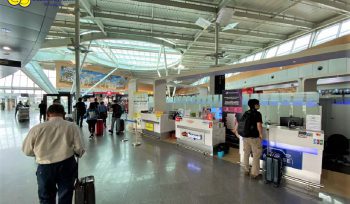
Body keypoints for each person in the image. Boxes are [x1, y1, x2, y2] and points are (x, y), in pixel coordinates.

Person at [22, 104, 85, 204]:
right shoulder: (72, 126)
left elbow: (27, 150)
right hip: (67, 166)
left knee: (46, 197)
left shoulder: (37, 128)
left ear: (47, 114)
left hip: (45, 168)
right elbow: (80, 149)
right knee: (65, 196)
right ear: (64, 114)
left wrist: (40, 154)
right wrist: (76, 153)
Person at [239, 99, 263, 179]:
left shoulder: (246, 113)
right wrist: (260, 134)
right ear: (255, 105)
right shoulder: (257, 113)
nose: (259, 105)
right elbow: (259, 125)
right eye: (258, 104)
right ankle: (254, 174)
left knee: (246, 153)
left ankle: (246, 170)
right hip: (254, 138)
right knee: (256, 155)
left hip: (245, 137)